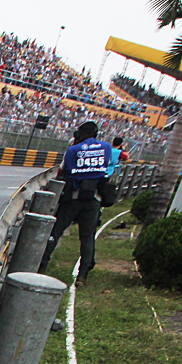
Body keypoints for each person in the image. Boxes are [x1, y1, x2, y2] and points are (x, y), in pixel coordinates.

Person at [38, 121, 112, 286]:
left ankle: (41, 266)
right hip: (94, 198)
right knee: (87, 237)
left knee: (55, 232)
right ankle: (82, 275)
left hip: (73, 197)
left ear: (80, 134)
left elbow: (63, 171)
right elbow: (104, 166)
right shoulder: (106, 147)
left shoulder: (73, 149)